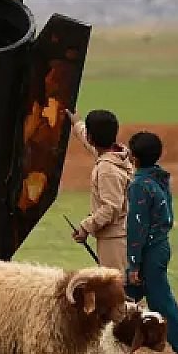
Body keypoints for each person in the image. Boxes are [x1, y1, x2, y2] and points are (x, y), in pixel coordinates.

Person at [124, 131, 178, 354]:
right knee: (127, 296)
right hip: (160, 245)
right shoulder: (159, 177)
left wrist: (134, 264)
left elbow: (137, 227)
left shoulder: (139, 185)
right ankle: (123, 352)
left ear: (134, 157)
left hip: (149, 251)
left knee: (161, 302)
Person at [66, 109, 133, 273]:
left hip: (114, 239)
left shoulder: (106, 169)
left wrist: (85, 227)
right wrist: (77, 123)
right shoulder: (118, 155)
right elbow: (92, 144)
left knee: (116, 284)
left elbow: (111, 208)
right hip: (122, 233)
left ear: (91, 137)